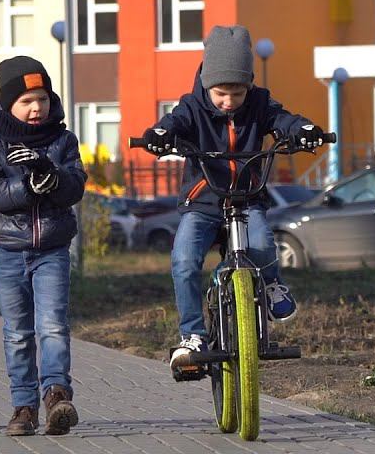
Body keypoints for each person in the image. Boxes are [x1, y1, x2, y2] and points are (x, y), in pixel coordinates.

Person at [138, 25, 326, 374]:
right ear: (208, 84)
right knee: (183, 260)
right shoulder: (192, 106)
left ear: (248, 86)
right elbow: (173, 123)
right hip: (204, 202)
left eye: (237, 93)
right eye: (222, 93)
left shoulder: (258, 103)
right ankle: (192, 336)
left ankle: (270, 285)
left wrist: (302, 131)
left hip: (247, 199)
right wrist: (160, 135)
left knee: (263, 246)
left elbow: (282, 119)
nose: (229, 102)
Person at [0, 56, 85, 437]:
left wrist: (51, 176)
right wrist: (26, 187)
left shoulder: (62, 140)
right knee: (17, 333)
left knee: (52, 324)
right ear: (8, 104)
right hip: (7, 251)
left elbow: (76, 186)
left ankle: (57, 395)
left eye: (41, 99)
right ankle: (24, 406)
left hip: (52, 250)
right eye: (26, 101)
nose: (36, 108)